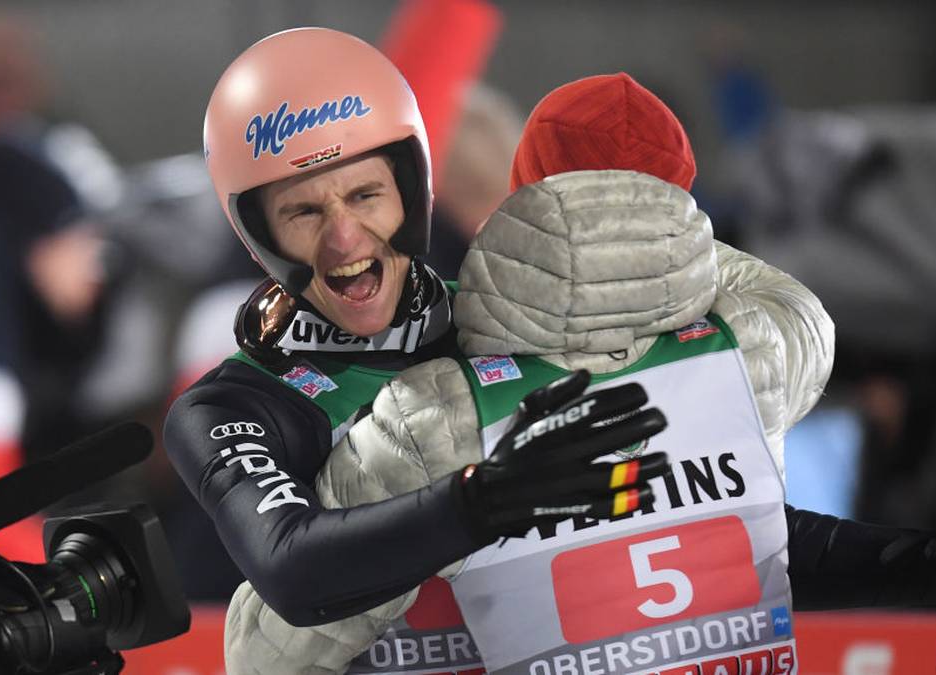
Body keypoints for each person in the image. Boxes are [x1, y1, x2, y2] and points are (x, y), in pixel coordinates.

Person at [223, 73, 936, 675]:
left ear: (522, 203)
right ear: (679, 204)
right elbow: (769, 529)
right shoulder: (749, 354)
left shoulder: (436, 412)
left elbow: (265, 649)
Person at [163, 29, 667, 675]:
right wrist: (484, 501)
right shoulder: (230, 405)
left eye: (364, 196)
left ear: (413, 189)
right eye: (303, 212)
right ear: (259, 236)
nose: (344, 240)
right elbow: (291, 568)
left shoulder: (516, 321)